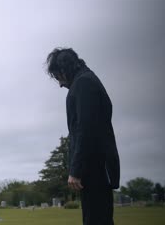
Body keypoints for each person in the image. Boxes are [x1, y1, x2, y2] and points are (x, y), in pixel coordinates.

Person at [46, 47, 120, 225]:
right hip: (96, 165)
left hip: (94, 167)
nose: (60, 84)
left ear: (64, 69)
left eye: (58, 77)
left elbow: (85, 129)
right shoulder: (86, 80)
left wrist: (76, 170)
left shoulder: (84, 84)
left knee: (96, 220)